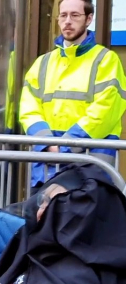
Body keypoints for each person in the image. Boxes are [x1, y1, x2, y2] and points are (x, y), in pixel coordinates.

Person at [19, 0, 126, 193]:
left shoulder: (106, 60)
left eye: (75, 15)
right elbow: (28, 108)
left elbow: (106, 109)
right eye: (63, 15)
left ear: (89, 19)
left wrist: (64, 147)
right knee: (44, 221)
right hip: (47, 168)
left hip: (90, 169)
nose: (68, 21)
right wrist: (50, 145)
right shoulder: (43, 62)